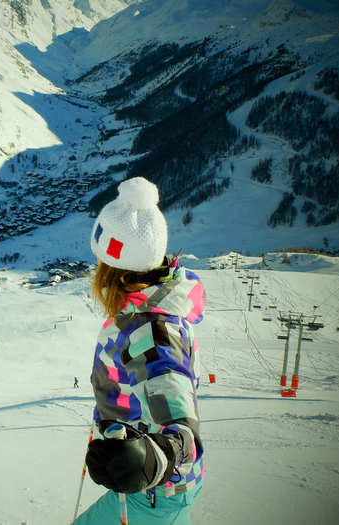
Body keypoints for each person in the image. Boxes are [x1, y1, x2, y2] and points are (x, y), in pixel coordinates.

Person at [73, 177, 206, 525]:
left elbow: (181, 420)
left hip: (156, 493)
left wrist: (158, 455)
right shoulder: (146, 311)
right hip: (156, 490)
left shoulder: (151, 330)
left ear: (111, 270)